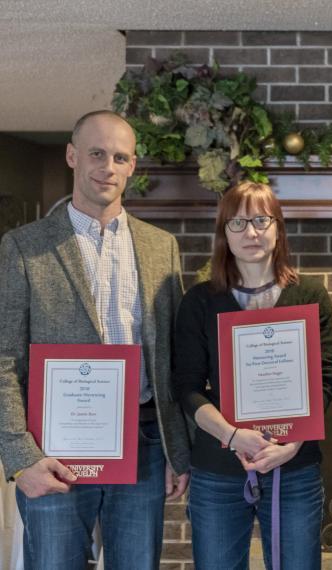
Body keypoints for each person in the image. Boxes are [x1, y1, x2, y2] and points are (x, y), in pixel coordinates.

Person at [0, 110, 190, 569]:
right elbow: (4, 359)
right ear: (72, 156)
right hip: (53, 447)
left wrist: (176, 449)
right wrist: (20, 456)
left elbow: (173, 358)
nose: (108, 166)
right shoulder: (24, 246)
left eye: (120, 157)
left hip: (143, 442)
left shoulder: (160, 246)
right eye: (97, 153)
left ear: (132, 167)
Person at [172, 181, 332, 570]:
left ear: (278, 228)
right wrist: (233, 436)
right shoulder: (199, 302)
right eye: (238, 222)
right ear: (223, 233)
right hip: (218, 469)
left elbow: (327, 378)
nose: (251, 232)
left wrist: (292, 443)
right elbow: (187, 387)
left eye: (261, 220)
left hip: (294, 468)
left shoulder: (311, 295)